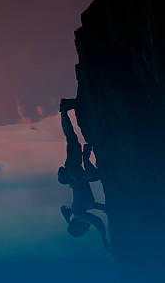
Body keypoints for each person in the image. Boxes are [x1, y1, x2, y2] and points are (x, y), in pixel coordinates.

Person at [58, 98, 111, 252]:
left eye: (84, 230)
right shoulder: (81, 210)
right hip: (75, 172)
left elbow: (98, 222)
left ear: (79, 225)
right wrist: (106, 208)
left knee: (72, 140)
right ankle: (87, 157)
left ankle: (64, 110)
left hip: (74, 172)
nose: (87, 229)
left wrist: (104, 239)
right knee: (74, 142)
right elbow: (94, 206)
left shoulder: (79, 213)